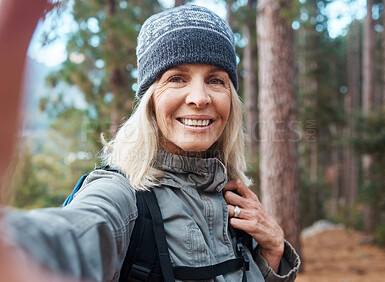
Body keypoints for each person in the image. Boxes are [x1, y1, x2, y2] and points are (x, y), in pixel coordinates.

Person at [3, 4, 300, 281]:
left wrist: (273, 253)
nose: (199, 97)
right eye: (176, 78)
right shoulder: (121, 195)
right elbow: (68, 238)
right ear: (149, 100)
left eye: (216, 80)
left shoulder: (232, 197)